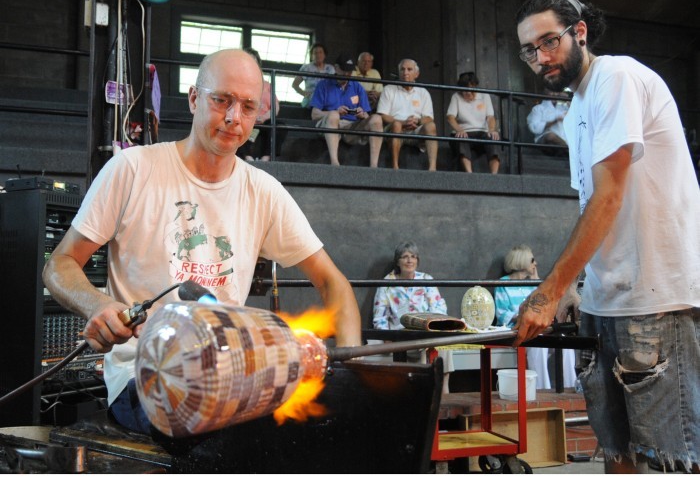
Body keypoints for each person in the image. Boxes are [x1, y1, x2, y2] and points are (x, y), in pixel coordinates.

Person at [42, 49, 362, 435]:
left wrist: (350, 371)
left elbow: (333, 283)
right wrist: (100, 305)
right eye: (221, 100)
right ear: (195, 98)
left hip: (231, 376)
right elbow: (59, 264)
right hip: (145, 377)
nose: (233, 118)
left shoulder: (263, 191)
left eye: (247, 106)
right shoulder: (132, 170)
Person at [515, 0, 700, 473]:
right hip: (606, 299)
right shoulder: (577, 106)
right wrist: (578, 285)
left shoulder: (615, 76)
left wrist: (548, 292)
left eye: (549, 42)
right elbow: (590, 206)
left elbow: (609, 196)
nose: (540, 57)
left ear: (579, 32)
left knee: (667, 461)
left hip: (655, 297)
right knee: (617, 458)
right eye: (529, 50)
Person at [372, 241, 452, 392]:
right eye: (405, 257)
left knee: (445, 342)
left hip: (426, 329)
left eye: (413, 257)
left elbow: (439, 307)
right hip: (401, 334)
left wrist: (432, 324)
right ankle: (426, 389)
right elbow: (379, 316)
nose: (410, 261)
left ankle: (444, 390)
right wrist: (386, 336)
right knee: (425, 345)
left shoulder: (426, 279)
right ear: (398, 261)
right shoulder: (386, 283)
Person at [494, 245, 576, 390]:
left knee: (565, 342)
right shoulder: (503, 283)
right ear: (521, 260)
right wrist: (525, 317)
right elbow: (502, 315)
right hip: (519, 332)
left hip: (541, 329)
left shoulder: (533, 284)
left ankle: (571, 387)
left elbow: (544, 306)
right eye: (532, 260)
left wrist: (537, 281)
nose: (535, 263)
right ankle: (541, 389)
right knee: (538, 346)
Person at [310, 53, 384, 167]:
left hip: (352, 125)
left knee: (377, 119)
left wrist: (362, 114)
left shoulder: (357, 86)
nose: (346, 74)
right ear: (336, 68)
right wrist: (336, 112)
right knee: (334, 115)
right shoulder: (323, 85)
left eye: (349, 71)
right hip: (330, 124)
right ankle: (334, 162)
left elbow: (366, 116)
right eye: (344, 70)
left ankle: (374, 167)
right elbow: (314, 114)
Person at [376, 59, 438, 171]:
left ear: (416, 74)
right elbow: (383, 115)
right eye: (402, 69)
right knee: (396, 125)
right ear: (398, 72)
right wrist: (403, 122)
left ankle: (432, 168)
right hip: (394, 129)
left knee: (431, 126)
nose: (405, 73)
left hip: (415, 129)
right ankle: (395, 166)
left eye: (409, 69)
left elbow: (429, 118)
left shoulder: (423, 92)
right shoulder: (389, 89)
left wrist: (417, 121)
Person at [236, 47, 287, 162]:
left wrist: (264, 117)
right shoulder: (237, 82)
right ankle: (247, 158)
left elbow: (275, 107)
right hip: (245, 118)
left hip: (264, 119)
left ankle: (266, 158)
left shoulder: (267, 85)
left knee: (280, 126)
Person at [446, 72, 502, 174]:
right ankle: (469, 173)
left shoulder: (484, 95)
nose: (469, 94)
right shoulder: (456, 96)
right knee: (461, 138)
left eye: (472, 91)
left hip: (482, 132)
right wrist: (459, 129)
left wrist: (492, 130)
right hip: (465, 131)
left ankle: (494, 176)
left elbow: (490, 117)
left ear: (476, 87)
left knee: (493, 139)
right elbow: (450, 117)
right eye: (465, 92)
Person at [526, 88, 570, 155]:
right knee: (550, 136)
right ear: (546, 92)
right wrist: (554, 122)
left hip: (565, 140)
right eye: (552, 91)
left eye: (557, 92)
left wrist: (567, 99)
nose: (555, 94)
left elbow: (579, 117)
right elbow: (534, 127)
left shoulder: (564, 108)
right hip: (546, 141)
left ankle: (568, 150)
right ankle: (570, 151)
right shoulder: (538, 108)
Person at [292, 42, 335, 109]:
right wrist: (304, 94)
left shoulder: (330, 69)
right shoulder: (306, 68)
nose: (318, 55)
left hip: (326, 100)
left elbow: (335, 85)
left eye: (320, 52)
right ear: (311, 56)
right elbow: (295, 84)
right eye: (315, 53)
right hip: (311, 100)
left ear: (324, 55)